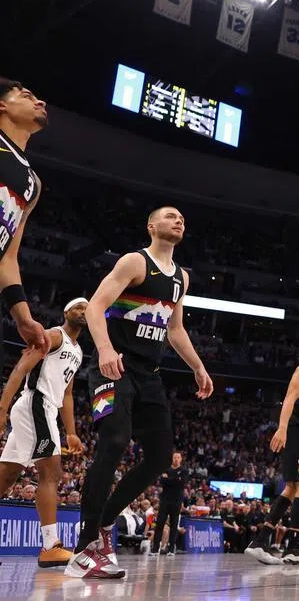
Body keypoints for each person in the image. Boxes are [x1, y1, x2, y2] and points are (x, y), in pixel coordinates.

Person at [67, 207, 214, 580]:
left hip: (149, 376)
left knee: (162, 456)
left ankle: (103, 523)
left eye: (182, 217)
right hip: (113, 368)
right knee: (114, 442)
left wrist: (198, 366)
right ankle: (84, 549)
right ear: (152, 226)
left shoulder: (181, 277)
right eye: (169, 216)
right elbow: (96, 307)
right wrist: (102, 351)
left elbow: (175, 329)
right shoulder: (135, 262)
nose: (179, 220)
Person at [0, 297, 87, 568]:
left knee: (7, 476)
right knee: (52, 473)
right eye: (77, 307)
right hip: (35, 403)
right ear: (65, 312)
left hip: (45, 408)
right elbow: (21, 368)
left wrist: (71, 432)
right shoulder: (53, 335)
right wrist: (1, 408)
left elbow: (69, 394)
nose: (82, 311)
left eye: (86, 308)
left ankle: (50, 546)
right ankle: (50, 546)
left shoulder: (79, 351)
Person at [245, 338, 299, 565]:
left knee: (292, 487)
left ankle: (260, 541)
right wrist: (282, 428)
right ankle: (294, 547)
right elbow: (290, 398)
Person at [0, 79, 50, 355]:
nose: (40, 102)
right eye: (28, 96)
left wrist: (22, 317)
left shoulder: (33, 184)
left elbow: (7, 257)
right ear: (2, 105)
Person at [150, 451, 186, 557]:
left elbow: (181, 483)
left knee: (174, 525)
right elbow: (162, 481)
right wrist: (174, 480)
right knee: (160, 524)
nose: (176, 459)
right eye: (174, 457)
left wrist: (168, 480)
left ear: (181, 459)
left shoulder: (184, 471)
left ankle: (171, 549)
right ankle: (155, 549)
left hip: (176, 501)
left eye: (178, 457)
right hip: (165, 500)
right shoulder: (166, 469)